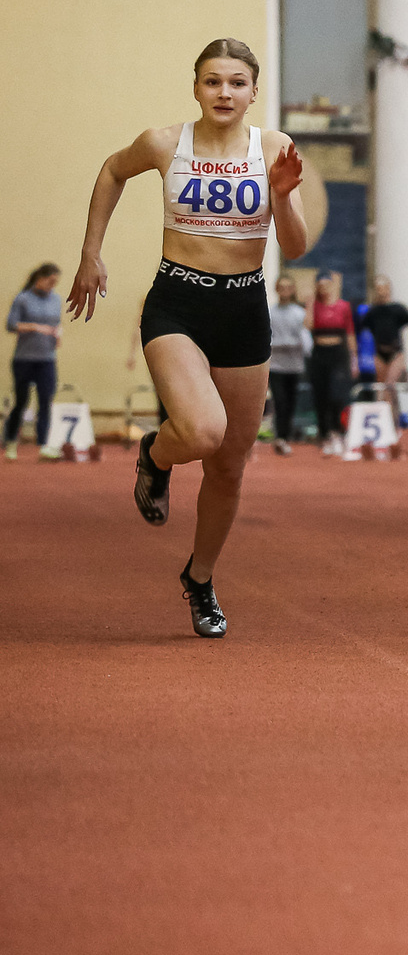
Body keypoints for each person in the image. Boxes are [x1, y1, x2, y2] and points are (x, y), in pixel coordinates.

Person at [65, 38, 311, 637]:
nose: (224, 93)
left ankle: (200, 580)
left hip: (245, 307)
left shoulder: (273, 147)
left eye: (236, 83)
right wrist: (90, 254)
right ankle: (154, 455)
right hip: (178, 300)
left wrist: (280, 195)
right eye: (212, 82)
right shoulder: (164, 143)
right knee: (203, 430)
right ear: (196, 86)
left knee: (229, 466)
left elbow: (297, 247)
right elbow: (111, 170)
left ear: (254, 90)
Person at [7, 264, 63, 461]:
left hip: (47, 359)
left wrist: (58, 334)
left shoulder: (56, 299)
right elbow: (11, 325)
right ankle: (11, 442)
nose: (52, 285)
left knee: (45, 401)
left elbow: (57, 323)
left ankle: (43, 445)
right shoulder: (22, 299)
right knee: (21, 401)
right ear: (40, 277)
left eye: (56, 282)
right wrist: (36, 328)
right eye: (50, 281)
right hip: (24, 359)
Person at [307, 271, 354, 455]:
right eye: (321, 285)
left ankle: (337, 431)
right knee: (321, 395)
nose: (324, 288)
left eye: (327, 284)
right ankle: (324, 434)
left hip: (338, 353)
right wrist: (311, 305)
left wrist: (354, 359)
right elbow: (308, 326)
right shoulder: (314, 306)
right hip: (319, 353)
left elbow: (350, 333)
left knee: (337, 394)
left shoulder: (343, 306)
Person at [267, 275, 310, 455]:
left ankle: (286, 435)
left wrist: (306, 351)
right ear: (276, 289)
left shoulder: (299, 313)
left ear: (292, 290)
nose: (284, 291)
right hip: (275, 366)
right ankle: (280, 437)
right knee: (280, 401)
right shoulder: (269, 312)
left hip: (294, 365)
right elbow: (264, 338)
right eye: (281, 287)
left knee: (291, 402)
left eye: (288, 287)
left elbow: (305, 339)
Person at [361, 275, 408, 402]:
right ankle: (384, 415)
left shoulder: (398, 309)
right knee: (381, 386)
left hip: (395, 352)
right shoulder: (372, 312)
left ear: (388, 289)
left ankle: (391, 417)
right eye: (377, 289)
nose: (380, 291)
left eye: (383, 288)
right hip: (379, 353)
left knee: (390, 385)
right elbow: (364, 328)